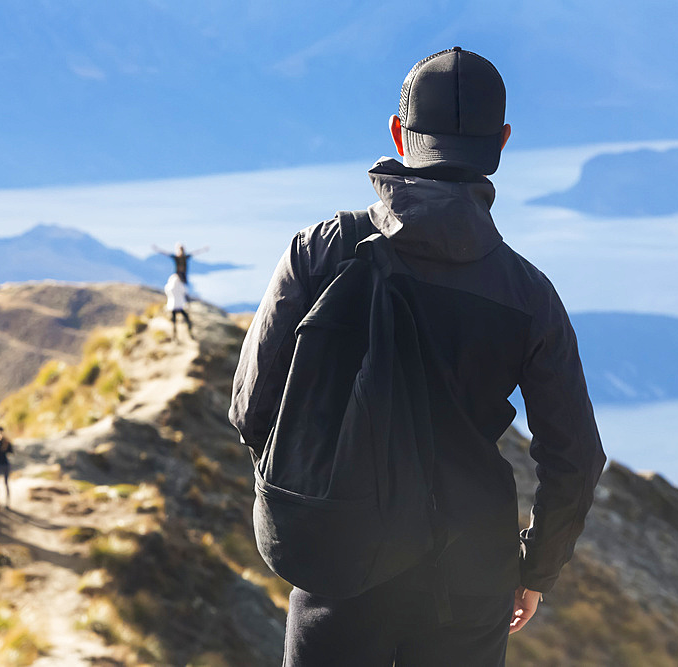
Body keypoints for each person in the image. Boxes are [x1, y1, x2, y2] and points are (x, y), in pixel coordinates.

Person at [230, 47, 606, 666]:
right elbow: (576, 457)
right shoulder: (528, 294)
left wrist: (312, 504)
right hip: (470, 576)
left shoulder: (321, 251)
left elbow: (250, 407)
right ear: (502, 141)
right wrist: (536, 571)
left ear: (400, 133)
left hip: (339, 562)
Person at [164, 272, 192, 340]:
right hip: (180, 304)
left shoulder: (168, 286)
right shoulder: (180, 285)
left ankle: (174, 332)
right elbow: (184, 292)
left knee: (174, 319)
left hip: (172, 305)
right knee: (186, 317)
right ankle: (189, 329)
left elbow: (166, 292)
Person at [0, 426, 14, 508]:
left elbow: (11, 453)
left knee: (6, 483)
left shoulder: (7, 442)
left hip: (4, 464)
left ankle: (7, 502)